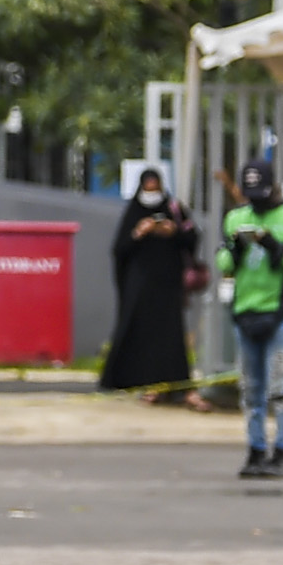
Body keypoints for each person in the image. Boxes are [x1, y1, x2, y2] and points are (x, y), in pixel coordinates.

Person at [218, 162, 283, 480]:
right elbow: (222, 263)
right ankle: (256, 449)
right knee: (250, 389)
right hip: (246, 311)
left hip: (282, 315)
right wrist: (235, 248)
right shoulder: (236, 217)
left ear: (275, 187)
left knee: (279, 388)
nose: (256, 203)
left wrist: (275, 247)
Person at [100, 166, 197, 394]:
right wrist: (139, 233)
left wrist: (173, 233)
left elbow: (192, 238)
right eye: (148, 187)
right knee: (136, 328)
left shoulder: (174, 209)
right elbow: (119, 248)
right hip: (139, 284)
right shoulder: (133, 212)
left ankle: (170, 383)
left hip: (168, 284)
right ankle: (131, 379)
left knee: (168, 333)